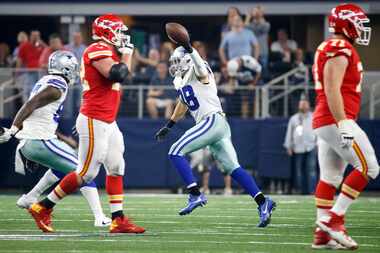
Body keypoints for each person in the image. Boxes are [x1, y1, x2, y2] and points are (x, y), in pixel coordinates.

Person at [23, 14, 145, 234]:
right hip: (95, 119)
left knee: (116, 168)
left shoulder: (107, 50)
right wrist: (127, 54)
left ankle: (118, 220)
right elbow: (118, 74)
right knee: (86, 174)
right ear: (107, 32)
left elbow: (120, 75)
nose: (121, 35)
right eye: (117, 30)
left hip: (108, 120)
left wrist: (125, 55)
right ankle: (42, 206)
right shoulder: (97, 49)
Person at [154, 33, 275, 227]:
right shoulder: (179, 80)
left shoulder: (199, 68)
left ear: (188, 59)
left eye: (178, 61)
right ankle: (263, 202)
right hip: (215, 126)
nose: (175, 65)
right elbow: (183, 104)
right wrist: (169, 125)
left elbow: (200, 68)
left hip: (212, 121)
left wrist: (190, 48)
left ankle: (195, 194)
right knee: (232, 168)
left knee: (175, 151)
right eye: (173, 61)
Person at [0, 51, 111, 228]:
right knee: (84, 172)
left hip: (34, 141)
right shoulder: (58, 84)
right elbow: (31, 104)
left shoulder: (45, 80)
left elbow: (38, 112)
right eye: (73, 69)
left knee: (61, 169)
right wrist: (13, 129)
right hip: (39, 141)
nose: (75, 72)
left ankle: (30, 198)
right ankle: (100, 217)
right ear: (66, 69)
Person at [311, 4, 379, 250]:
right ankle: (335, 219)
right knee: (369, 167)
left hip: (327, 119)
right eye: (359, 23)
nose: (362, 29)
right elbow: (332, 87)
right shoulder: (340, 47)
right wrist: (343, 123)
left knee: (330, 177)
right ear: (347, 24)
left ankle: (322, 233)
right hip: (335, 119)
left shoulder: (332, 46)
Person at [283, 97, 317, 194]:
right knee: (298, 171)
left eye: (305, 103)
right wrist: (288, 146)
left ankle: (311, 191)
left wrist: (318, 144)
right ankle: (300, 190)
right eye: (301, 104)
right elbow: (289, 133)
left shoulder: (314, 116)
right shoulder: (294, 118)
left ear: (309, 105)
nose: (303, 106)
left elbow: (318, 131)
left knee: (311, 170)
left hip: (311, 146)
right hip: (297, 147)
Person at [16, 30, 46, 102]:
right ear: (30, 36)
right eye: (33, 36)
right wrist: (17, 73)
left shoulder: (42, 46)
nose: (35, 37)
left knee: (41, 91)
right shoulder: (24, 46)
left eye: (37, 36)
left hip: (41, 73)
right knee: (28, 91)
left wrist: (42, 44)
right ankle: (27, 109)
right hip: (29, 72)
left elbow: (49, 53)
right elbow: (19, 60)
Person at [245, 5, 270, 69]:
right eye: (255, 11)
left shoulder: (266, 24)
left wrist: (259, 16)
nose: (257, 13)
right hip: (251, 52)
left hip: (263, 52)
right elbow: (245, 29)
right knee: (251, 71)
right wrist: (248, 16)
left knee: (264, 72)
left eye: (259, 12)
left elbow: (264, 27)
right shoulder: (250, 25)